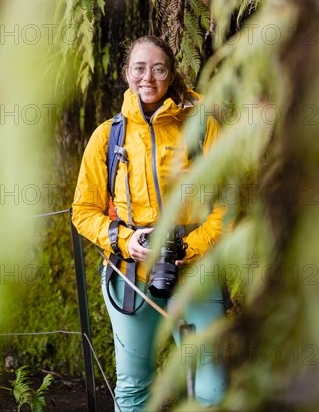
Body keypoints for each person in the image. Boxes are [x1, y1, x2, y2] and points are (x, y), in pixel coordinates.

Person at [72, 36, 227, 411]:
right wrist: (124, 241)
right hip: (130, 277)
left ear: (171, 73)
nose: (148, 77)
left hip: (194, 271)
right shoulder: (108, 137)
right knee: (133, 387)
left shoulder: (201, 128)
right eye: (139, 68)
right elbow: (84, 211)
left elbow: (228, 206)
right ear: (127, 73)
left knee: (211, 389)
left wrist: (189, 248)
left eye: (159, 68)